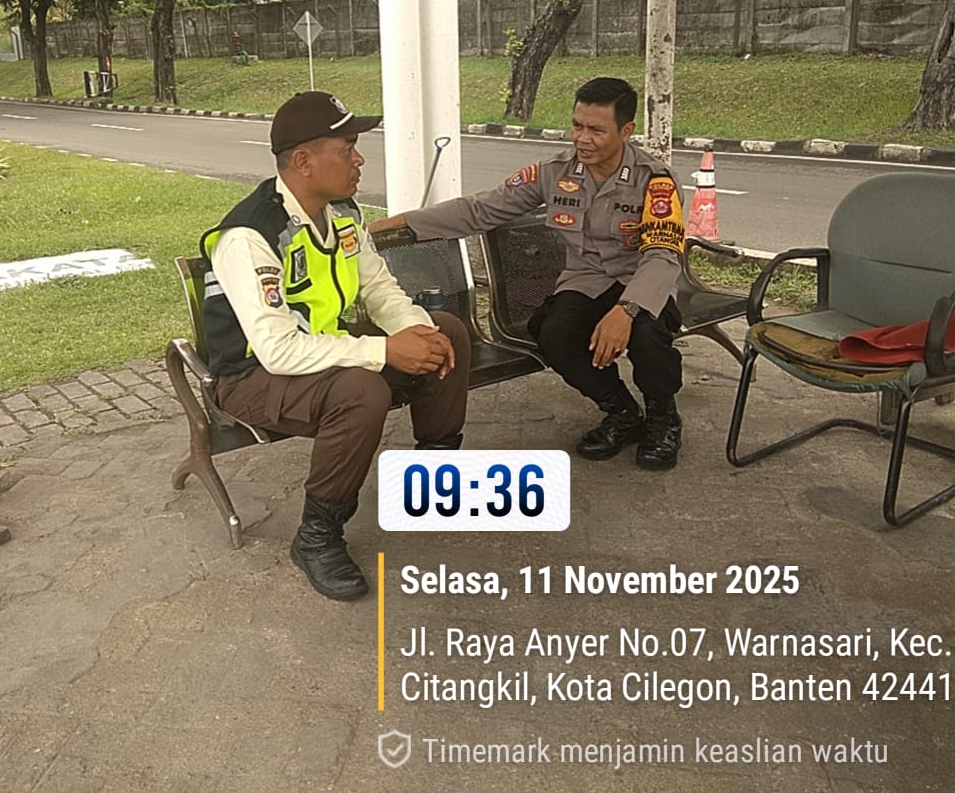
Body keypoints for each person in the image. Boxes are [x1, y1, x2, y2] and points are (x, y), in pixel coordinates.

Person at [202, 91, 470, 601]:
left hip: (320, 354)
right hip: (253, 377)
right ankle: (317, 536)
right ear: (303, 162)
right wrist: (384, 352)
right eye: (347, 149)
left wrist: (414, 332)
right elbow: (278, 351)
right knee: (361, 391)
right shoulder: (250, 235)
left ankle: (435, 478)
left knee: (444, 331)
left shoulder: (342, 213)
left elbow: (378, 288)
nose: (359, 159)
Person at [369, 77, 684, 470]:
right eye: (577, 126)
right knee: (554, 335)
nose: (582, 139)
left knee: (648, 335)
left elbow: (662, 255)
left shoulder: (654, 180)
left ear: (626, 130)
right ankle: (621, 411)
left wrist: (627, 310)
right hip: (586, 282)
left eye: (596, 130)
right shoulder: (554, 172)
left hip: (641, 282)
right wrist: (401, 223)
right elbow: (480, 209)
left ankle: (662, 418)